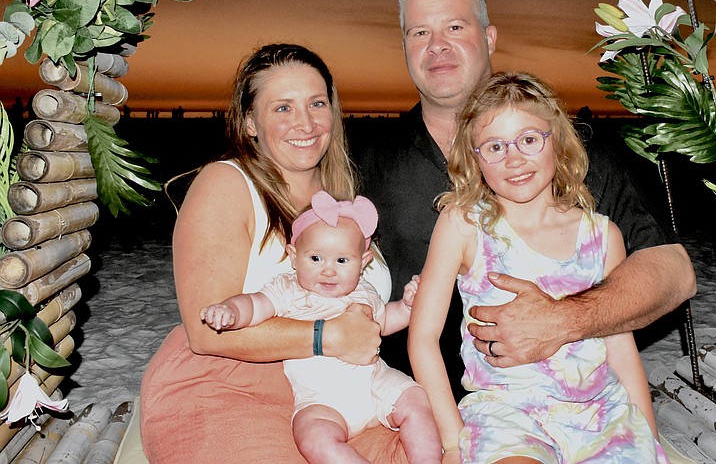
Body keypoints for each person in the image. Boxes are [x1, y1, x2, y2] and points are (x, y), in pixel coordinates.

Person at [351, 0, 697, 399]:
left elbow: (674, 272)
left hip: (572, 403)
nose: (436, 46)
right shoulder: (362, 162)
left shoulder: (570, 148)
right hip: (413, 412)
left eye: (455, 27)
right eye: (419, 33)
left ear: (490, 37)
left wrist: (563, 320)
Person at [140, 44, 407, 462]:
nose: (305, 122)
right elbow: (205, 329)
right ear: (250, 122)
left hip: (344, 397)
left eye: (317, 103)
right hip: (229, 386)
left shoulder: (344, 202)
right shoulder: (227, 184)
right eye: (283, 108)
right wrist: (328, 336)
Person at [409, 72, 668, 463]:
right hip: (506, 413)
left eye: (529, 139)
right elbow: (423, 338)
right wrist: (451, 442)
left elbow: (620, 346)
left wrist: (650, 440)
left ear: (558, 142)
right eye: (494, 146)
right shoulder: (463, 225)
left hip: (601, 413)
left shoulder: (602, 235)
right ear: (474, 158)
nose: (514, 159)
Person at [199, 191, 441, 464]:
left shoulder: (364, 291)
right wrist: (231, 310)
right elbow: (255, 306)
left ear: (363, 263)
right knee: (312, 437)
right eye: (316, 259)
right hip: (322, 400)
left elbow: (384, 322)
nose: (328, 271)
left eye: (341, 261)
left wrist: (409, 307)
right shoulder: (287, 289)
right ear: (294, 256)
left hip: (376, 384)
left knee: (416, 399)